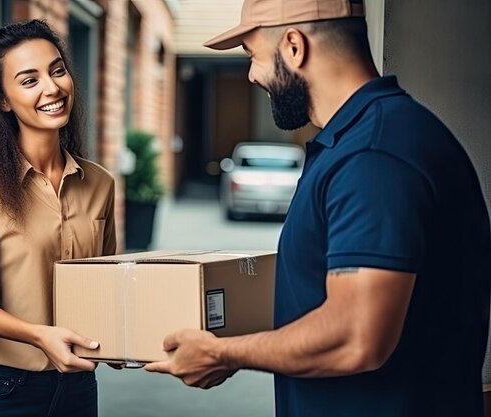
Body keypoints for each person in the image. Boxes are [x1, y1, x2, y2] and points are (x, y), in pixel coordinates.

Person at [145, 1, 491, 416]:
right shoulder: (364, 140)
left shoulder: (374, 154)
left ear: (294, 46)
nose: (252, 74)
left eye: (253, 56)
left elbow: (354, 335)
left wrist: (226, 354)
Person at [0, 19, 116, 417]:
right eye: (29, 79)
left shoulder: (100, 183)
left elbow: (105, 285)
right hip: (1, 389)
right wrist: (40, 336)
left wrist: (120, 338)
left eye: (57, 70)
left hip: (77, 386)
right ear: (3, 100)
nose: (52, 88)